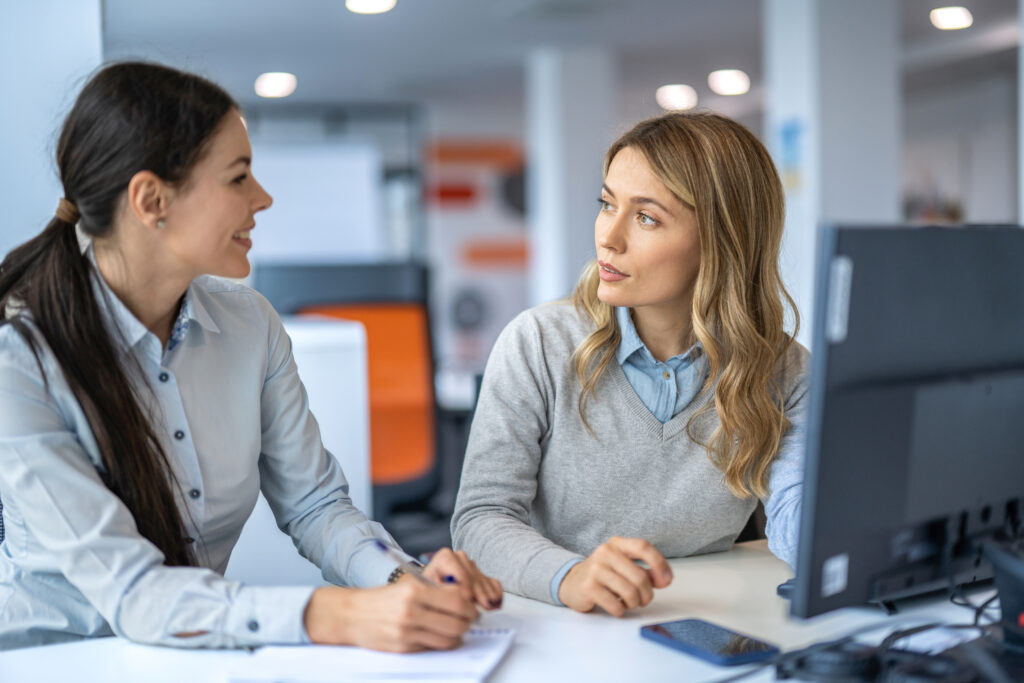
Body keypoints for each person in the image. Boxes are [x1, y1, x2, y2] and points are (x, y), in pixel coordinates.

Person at [0, 61, 501, 652]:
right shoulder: (18, 358)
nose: (262, 198)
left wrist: (402, 582)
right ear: (152, 199)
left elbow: (315, 505)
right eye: (238, 178)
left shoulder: (249, 323)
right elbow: (134, 592)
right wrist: (335, 615)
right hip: (52, 659)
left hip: (190, 654)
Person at [451, 112, 809, 617]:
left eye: (646, 217)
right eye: (607, 204)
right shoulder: (537, 343)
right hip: (561, 619)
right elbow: (480, 519)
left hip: (707, 618)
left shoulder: (783, 369)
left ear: (724, 242)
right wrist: (568, 574)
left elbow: (804, 523)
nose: (608, 238)